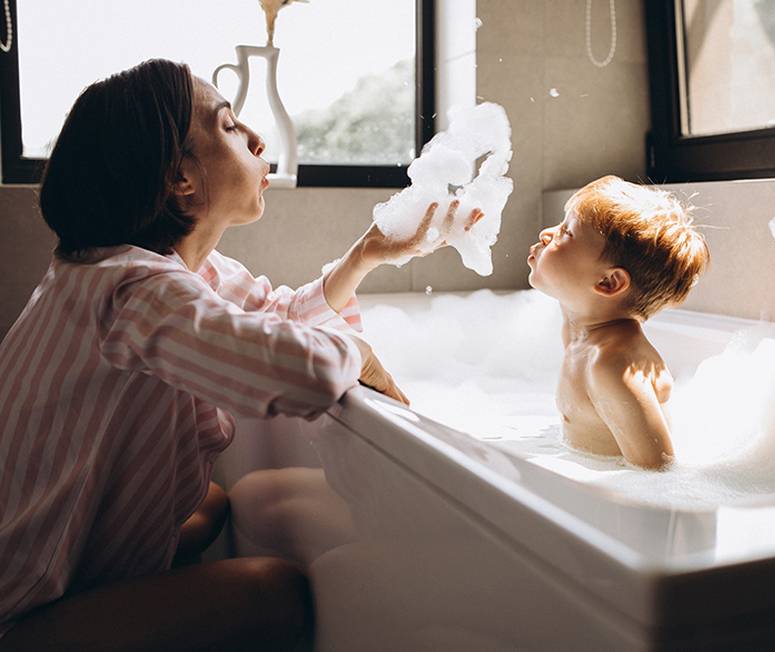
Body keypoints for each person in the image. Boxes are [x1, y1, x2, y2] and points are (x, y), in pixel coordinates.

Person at [0, 58, 481, 650]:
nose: (256, 137)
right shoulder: (133, 289)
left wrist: (367, 255)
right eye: (229, 127)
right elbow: (291, 368)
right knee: (276, 592)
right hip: (19, 608)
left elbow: (274, 317)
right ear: (181, 178)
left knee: (210, 505)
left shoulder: (148, 268)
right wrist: (358, 354)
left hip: (27, 556)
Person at [527, 176, 709, 470]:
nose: (547, 233)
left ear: (609, 282)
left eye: (565, 233)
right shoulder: (580, 324)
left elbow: (657, 470)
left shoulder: (613, 366)